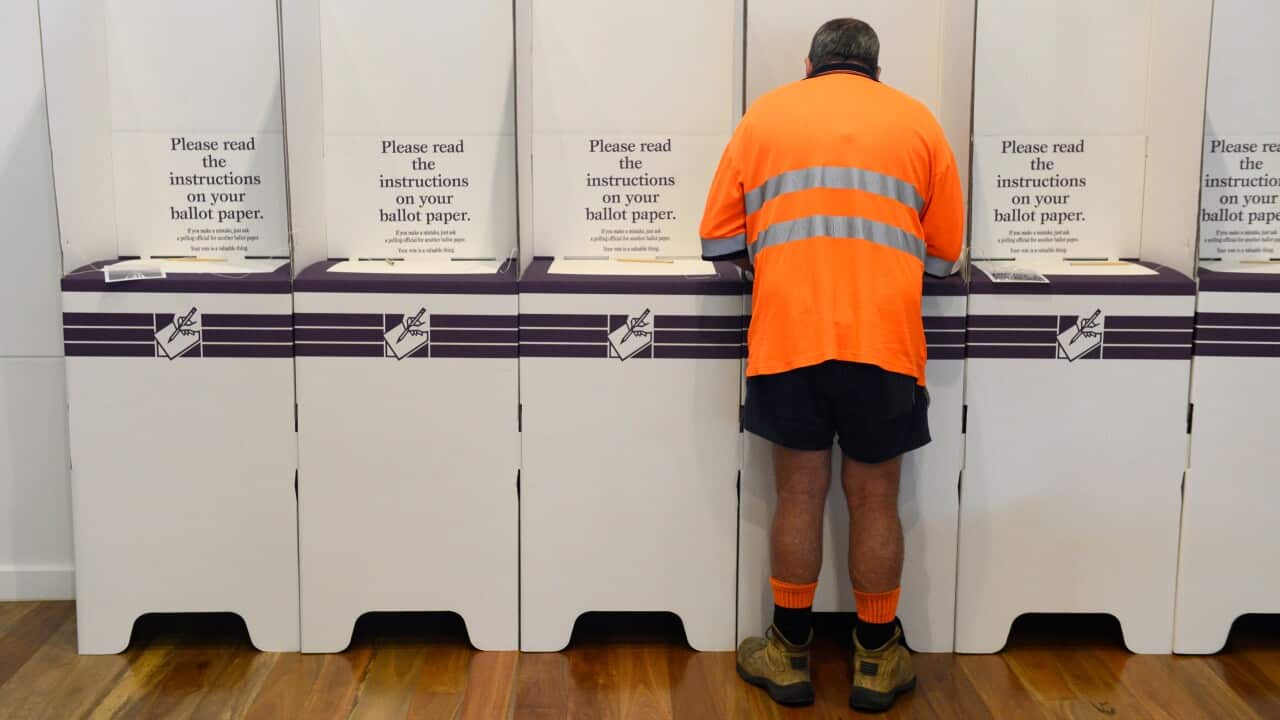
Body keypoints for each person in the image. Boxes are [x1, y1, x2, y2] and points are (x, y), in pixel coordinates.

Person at [699, 17, 964, 713]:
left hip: (790, 338)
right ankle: (876, 659)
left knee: (797, 494)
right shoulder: (918, 123)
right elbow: (944, 258)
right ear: (875, 68)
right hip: (884, 343)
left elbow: (719, 239)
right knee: (876, 498)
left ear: (810, 62)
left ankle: (788, 653)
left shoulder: (765, 117)